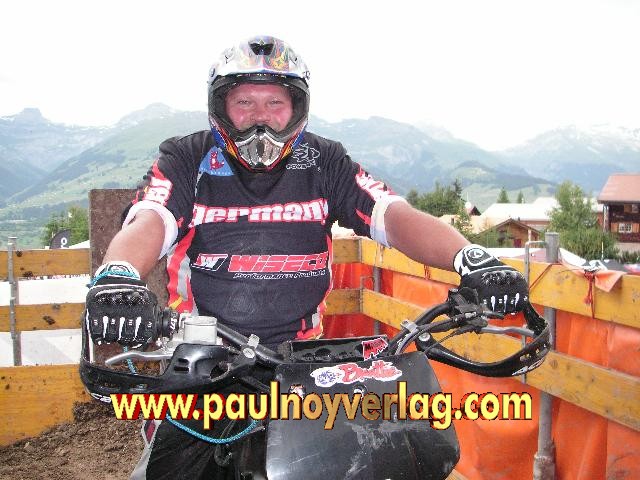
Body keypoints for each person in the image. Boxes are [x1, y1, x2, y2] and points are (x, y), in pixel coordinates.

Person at [83, 35, 529, 479]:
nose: (260, 117)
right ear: (221, 107)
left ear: (296, 107)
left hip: (303, 365)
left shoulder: (323, 160)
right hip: (203, 362)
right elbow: (151, 219)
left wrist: (471, 257)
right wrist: (119, 274)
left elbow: (391, 215)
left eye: (274, 103)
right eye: (244, 102)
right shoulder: (188, 157)